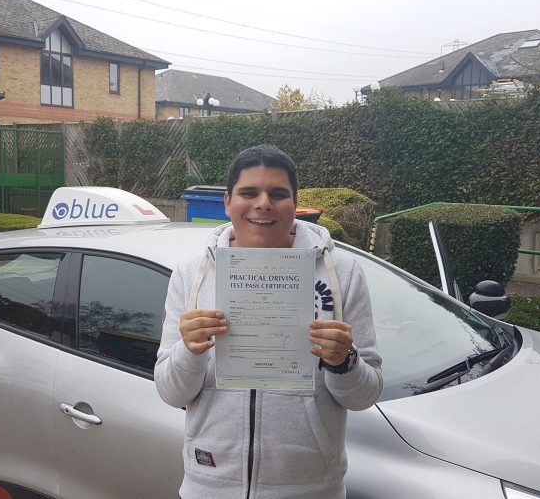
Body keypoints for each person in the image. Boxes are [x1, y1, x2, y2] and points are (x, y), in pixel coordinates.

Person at [155, 144, 382, 499]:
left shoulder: (344, 272)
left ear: (295, 204)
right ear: (228, 202)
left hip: (310, 488)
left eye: (278, 194)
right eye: (249, 193)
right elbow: (170, 392)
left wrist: (345, 361)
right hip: (210, 485)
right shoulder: (190, 273)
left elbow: (366, 395)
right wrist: (189, 351)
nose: (263, 203)